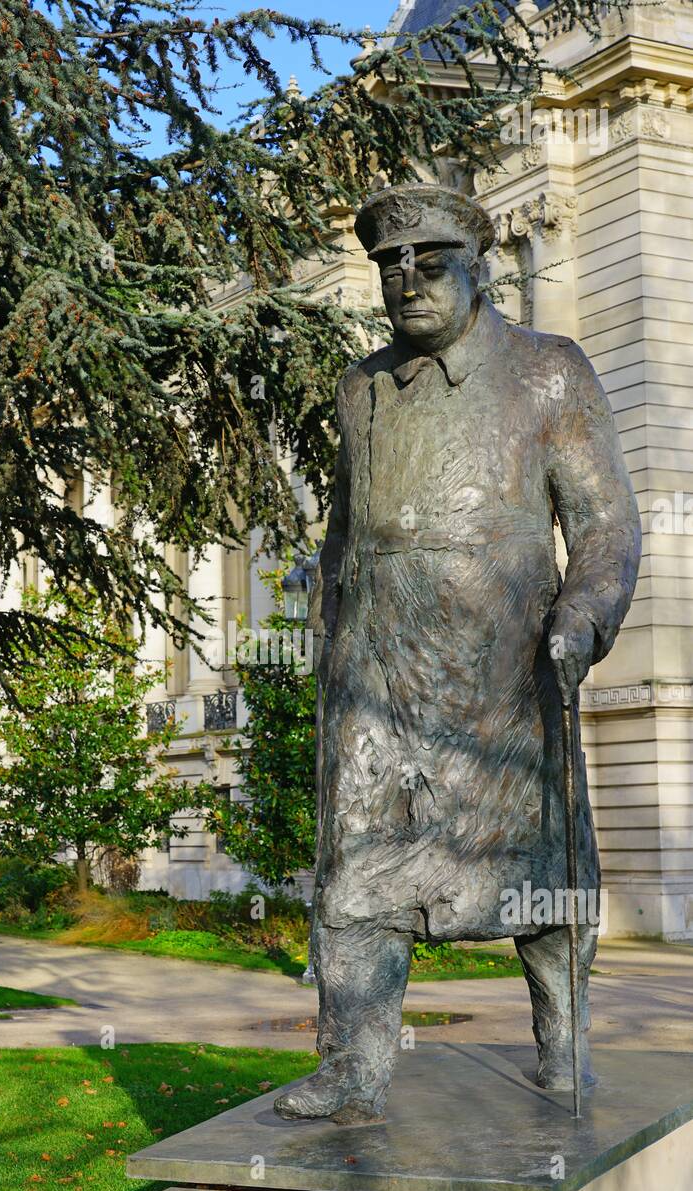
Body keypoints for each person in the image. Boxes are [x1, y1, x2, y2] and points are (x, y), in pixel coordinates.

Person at [275, 185, 641, 1124]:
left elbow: (603, 528)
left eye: (428, 261)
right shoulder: (361, 388)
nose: (406, 281)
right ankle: (352, 1069)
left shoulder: (549, 371)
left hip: (503, 674)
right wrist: (329, 634)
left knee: (535, 870)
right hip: (375, 675)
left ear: (477, 268)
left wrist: (582, 618)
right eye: (388, 266)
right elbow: (342, 535)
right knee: (356, 864)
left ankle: (559, 1048)